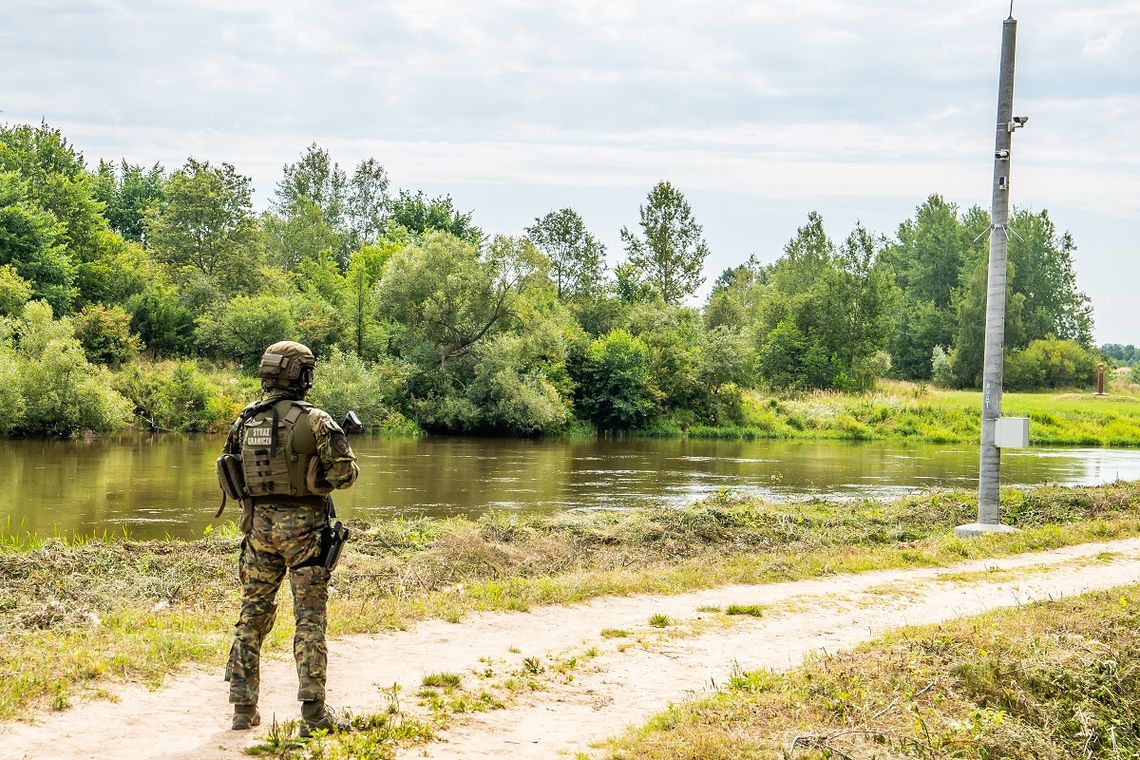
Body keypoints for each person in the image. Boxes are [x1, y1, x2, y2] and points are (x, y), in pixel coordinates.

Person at [222, 341, 359, 734]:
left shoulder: (246, 421)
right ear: (301, 375)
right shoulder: (316, 420)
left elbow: (232, 473)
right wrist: (315, 475)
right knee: (310, 619)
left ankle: (242, 709)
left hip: (258, 530)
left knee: (251, 616)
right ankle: (314, 715)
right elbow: (345, 477)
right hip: (305, 533)